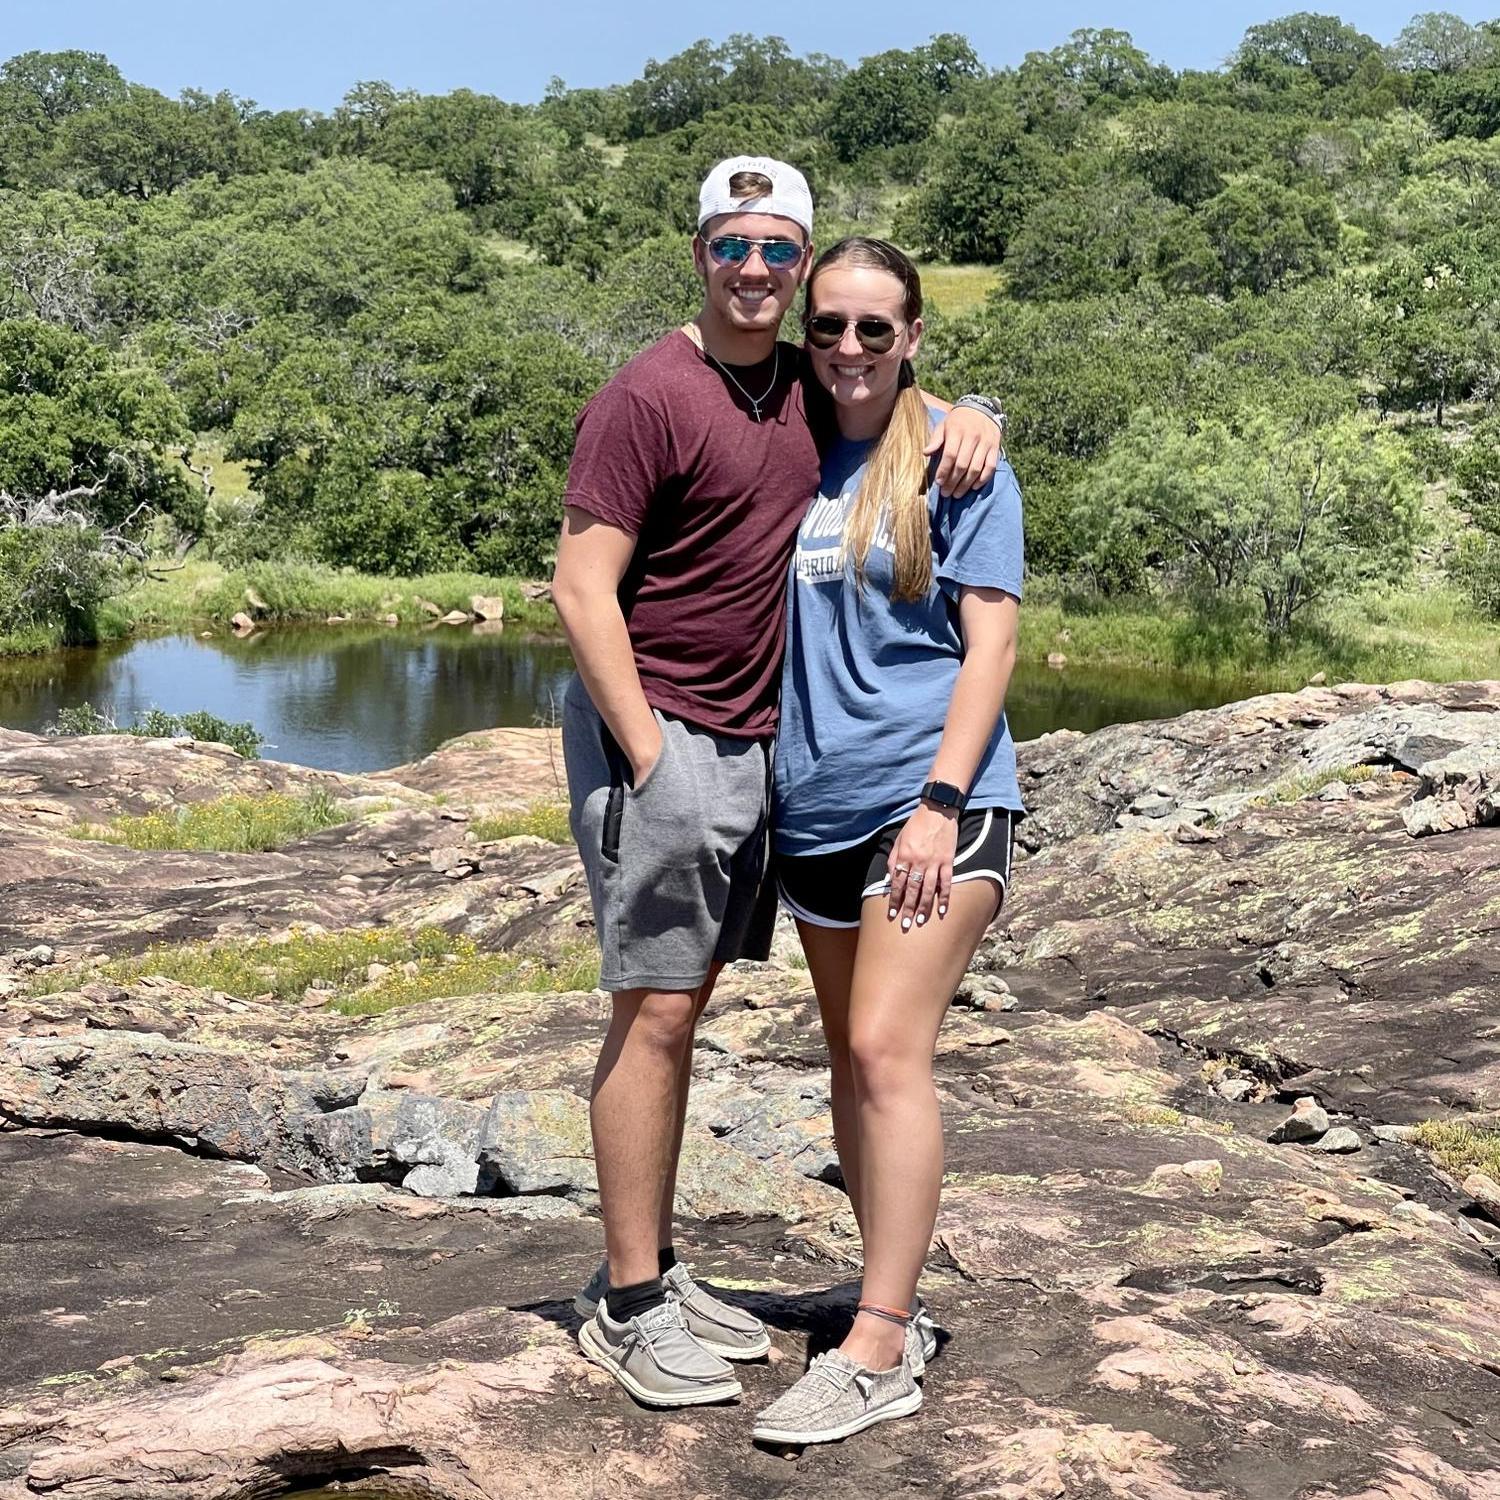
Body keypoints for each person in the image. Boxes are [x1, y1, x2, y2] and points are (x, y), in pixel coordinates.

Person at [551, 157, 1006, 1410]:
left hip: (766, 754)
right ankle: (632, 1299)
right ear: (697, 252)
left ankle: (674, 1276)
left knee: (699, 1013)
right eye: (729, 246)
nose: (753, 270)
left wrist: (983, 411)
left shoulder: (807, 383)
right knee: (653, 1012)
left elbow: (899, 387)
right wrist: (646, 754)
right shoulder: (649, 395)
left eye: (775, 251)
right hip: (672, 734)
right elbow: (582, 587)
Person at [750, 237, 1023, 1446]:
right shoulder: (793, 448)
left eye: (876, 328)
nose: (850, 349)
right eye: (831, 328)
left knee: (884, 1050)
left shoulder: (956, 465)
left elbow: (995, 642)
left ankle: (882, 1337)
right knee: (845, 1066)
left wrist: (942, 799)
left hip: (926, 805)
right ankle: (882, 1292)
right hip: (808, 813)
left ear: (914, 335)